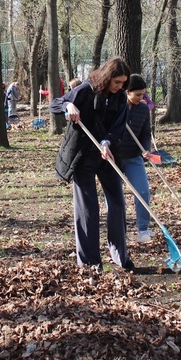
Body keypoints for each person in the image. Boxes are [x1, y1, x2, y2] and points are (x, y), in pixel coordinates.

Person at [51, 58, 134, 271]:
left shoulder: (120, 99)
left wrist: (107, 142)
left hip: (107, 156)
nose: (120, 87)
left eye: (123, 83)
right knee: (88, 209)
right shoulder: (85, 90)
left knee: (117, 204)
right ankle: (89, 263)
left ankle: (120, 256)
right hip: (82, 156)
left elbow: (117, 127)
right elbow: (56, 104)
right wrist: (68, 106)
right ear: (107, 78)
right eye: (117, 82)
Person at [114, 74, 154, 245]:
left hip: (133, 157)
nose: (141, 98)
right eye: (137, 94)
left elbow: (146, 134)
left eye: (143, 94)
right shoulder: (116, 107)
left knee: (143, 191)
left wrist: (146, 149)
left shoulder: (143, 109)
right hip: (114, 158)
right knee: (116, 197)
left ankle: (143, 229)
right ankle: (118, 232)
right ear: (127, 92)